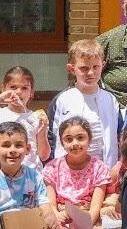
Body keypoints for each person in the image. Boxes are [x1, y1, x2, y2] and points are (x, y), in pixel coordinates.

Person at [47, 40, 120, 168]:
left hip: (104, 169)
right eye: (84, 68)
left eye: (96, 67)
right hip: (70, 171)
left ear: (103, 66)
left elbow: (119, 135)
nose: (90, 73)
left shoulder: (110, 100)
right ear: (71, 68)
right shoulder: (62, 100)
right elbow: (52, 138)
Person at [0, 67, 47, 170]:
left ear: (31, 92)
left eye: (24, 88)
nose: (18, 92)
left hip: (31, 175)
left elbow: (44, 155)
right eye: (13, 87)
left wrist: (43, 131)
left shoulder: (36, 118)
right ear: (3, 89)